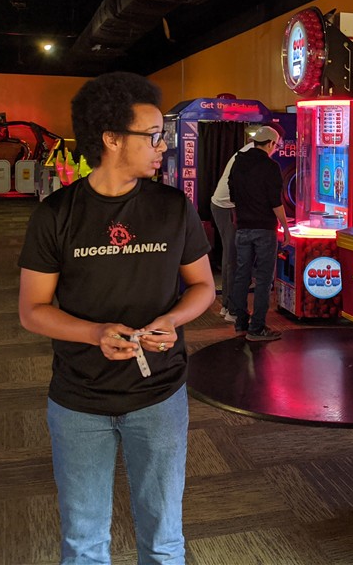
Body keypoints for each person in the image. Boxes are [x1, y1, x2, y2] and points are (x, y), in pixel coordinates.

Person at [17, 71, 214, 565]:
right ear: (111, 139)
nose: (162, 147)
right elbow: (32, 311)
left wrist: (173, 320)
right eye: (152, 136)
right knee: (84, 543)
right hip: (79, 399)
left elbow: (203, 287)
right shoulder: (56, 215)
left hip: (160, 396)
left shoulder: (173, 207)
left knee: (164, 540)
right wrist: (94, 333)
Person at [227, 125, 290, 341]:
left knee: (242, 275)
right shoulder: (270, 166)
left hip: (242, 227)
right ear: (271, 144)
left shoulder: (238, 161)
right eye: (276, 146)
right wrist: (286, 227)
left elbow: (232, 195)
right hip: (264, 229)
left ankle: (240, 322)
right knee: (263, 278)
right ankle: (257, 328)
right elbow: (275, 202)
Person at [209, 138, 255, 323]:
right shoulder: (250, 155)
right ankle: (232, 310)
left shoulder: (246, 152)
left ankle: (227, 306)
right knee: (234, 258)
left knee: (230, 257)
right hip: (227, 208)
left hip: (222, 206)